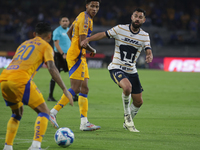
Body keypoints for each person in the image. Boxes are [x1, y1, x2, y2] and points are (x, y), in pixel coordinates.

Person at [0, 22, 73, 150]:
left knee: (17, 113)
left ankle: (8, 146)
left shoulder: (24, 44)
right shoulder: (46, 46)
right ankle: (35, 146)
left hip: (4, 78)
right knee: (44, 112)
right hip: (20, 79)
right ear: (50, 36)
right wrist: (64, 89)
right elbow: (52, 67)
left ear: (34, 34)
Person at [81, 8, 153, 132]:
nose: (137, 19)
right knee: (127, 87)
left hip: (132, 70)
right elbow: (103, 34)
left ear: (144, 20)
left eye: (140, 17)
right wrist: (88, 39)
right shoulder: (120, 29)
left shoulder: (144, 35)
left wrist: (149, 54)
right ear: (131, 17)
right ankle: (127, 117)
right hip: (116, 67)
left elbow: (148, 48)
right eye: (136, 16)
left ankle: (126, 122)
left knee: (138, 102)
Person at [49, 0, 101, 131]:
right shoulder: (85, 19)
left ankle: (84, 123)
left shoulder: (82, 15)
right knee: (76, 88)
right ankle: (53, 112)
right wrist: (92, 50)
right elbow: (83, 42)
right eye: (92, 6)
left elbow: (69, 33)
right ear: (87, 6)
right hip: (77, 56)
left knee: (84, 89)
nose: (95, 9)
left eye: (97, 6)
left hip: (79, 55)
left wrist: (76, 45)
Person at [48, 16, 78, 102]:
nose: (65, 22)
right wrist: (62, 54)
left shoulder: (69, 30)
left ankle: (74, 95)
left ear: (69, 22)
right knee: (55, 75)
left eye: (66, 21)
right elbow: (56, 44)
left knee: (73, 74)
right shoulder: (57, 31)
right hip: (59, 56)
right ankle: (50, 96)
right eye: (63, 21)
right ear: (60, 22)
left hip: (68, 56)